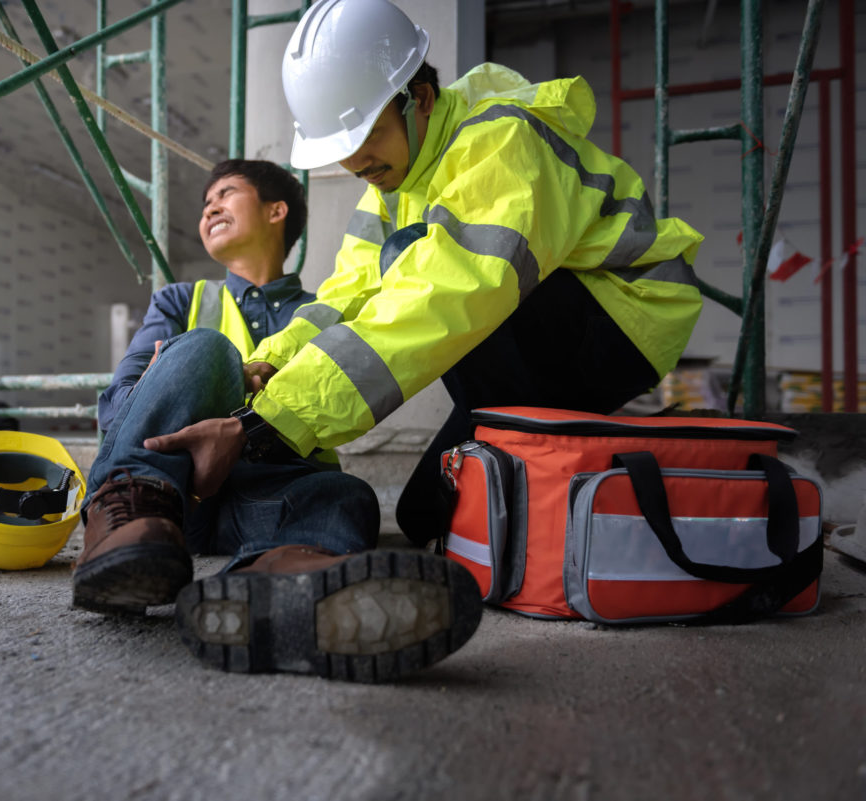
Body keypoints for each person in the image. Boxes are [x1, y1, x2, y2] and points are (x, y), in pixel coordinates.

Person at [154, 0, 705, 550]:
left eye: (364, 134)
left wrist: (269, 422)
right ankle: (565, 457)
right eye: (342, 148)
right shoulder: (391, 186)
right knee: (426, 516)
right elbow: (348, 296)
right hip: (529, 332)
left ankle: (596, 455)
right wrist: (268, 362)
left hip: (621, 318)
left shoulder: (502, 141)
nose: (355, 162)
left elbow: (446, 297)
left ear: (417, 98)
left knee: (409, 256)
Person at [73, 159, 484, 683]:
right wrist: (219, 380)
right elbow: (117, 405)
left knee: (344, 493)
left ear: (277, 210)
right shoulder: (182, 301)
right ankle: (124, 528)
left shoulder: (324, 313)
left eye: (225, 193)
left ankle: (278, 581)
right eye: (205, 204)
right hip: (172, 496)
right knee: (207, 351)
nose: (210, 207)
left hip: (266, 500)